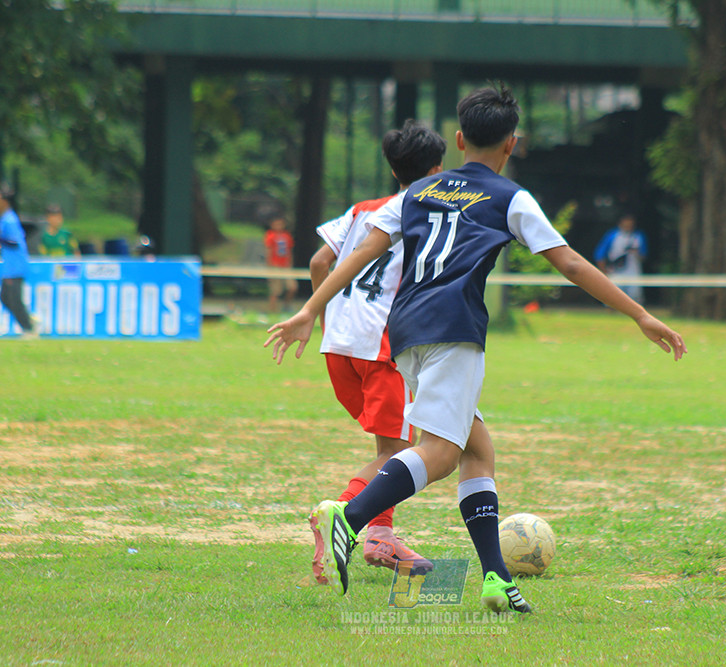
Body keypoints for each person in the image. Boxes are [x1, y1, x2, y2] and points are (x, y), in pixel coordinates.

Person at [265, 85, 686, 613]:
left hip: (407, 334)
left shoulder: (417, 192)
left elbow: (362, 252)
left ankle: (495, 579)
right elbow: (572, 265)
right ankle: (347, 519)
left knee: (477, 451)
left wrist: (310, 309)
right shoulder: (511, 198)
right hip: (455, 330)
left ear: (460, 139)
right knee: (440, 454)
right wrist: (641, 314)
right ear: (513, 143)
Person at [307, 120, 446, 581]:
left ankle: (381, 538)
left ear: (393, 169)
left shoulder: (362, 209)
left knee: (392, 446)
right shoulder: (428, 213)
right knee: (402, 453)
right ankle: (344, 516)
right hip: (383, 349)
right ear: (438, 169)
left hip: (339, 344)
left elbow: (319, 261)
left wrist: (326, 318)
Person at [0, 186, 37, 338]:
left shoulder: (9, 219)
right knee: (5, 298)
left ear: (4, 201)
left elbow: (14, 243)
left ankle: (28, 328)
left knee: (14, 299)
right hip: (9, 266)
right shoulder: (5, 219)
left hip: (15, 266)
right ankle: (29, 321)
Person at [593, 212, 647, 303]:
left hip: (634, 273)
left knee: (635, 298)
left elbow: (644, 255)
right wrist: (603, 271)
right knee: (613, 299)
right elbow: (599, 254)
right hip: (615, 272)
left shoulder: (638, 236)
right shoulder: (612, 235)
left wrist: (635, 253)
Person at [265, 216, 297, 313]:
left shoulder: (287, 236)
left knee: (292, 287)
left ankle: (286, 306)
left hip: (285, 266)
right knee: (275, 290)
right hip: (275, 266)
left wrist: (290, 264)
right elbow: (268, 251)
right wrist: (269, 266)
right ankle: (272, 310)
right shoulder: (270, 235)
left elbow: (289, 251)